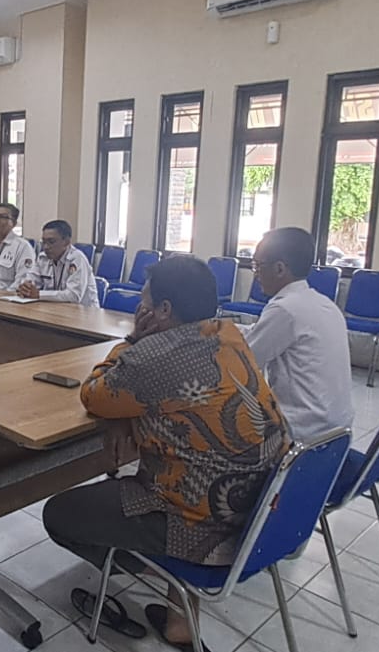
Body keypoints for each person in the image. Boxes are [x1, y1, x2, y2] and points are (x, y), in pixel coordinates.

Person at [41, 256, 290, 649]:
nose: (140, 307)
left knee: (59, 514)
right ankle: (180, 623)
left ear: (163, 310)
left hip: (204, 522)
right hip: (263, 511)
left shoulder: (153, 354)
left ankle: (176, 569)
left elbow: (94, 395)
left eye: (145, 301)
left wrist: (132, 341)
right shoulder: (229, 334)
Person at [244, 227, 355, 441]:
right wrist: (228, 328)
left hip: (301, 432)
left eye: (258, 265)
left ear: (279, 269)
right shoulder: (323, 304)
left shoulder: (284, 309)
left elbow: (246, 359)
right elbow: (261, 333)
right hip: (336, 431)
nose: (255, 273)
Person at [18, 220, 96, 305]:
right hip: (55, 308)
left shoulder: (77, 259)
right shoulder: (43, 258)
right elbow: (31, 279)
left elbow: (74, 296)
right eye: (43, 242)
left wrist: (39, 294)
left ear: (66, 242)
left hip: (84, 311)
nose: (46, 247)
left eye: (51, 242)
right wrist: (25, 287)